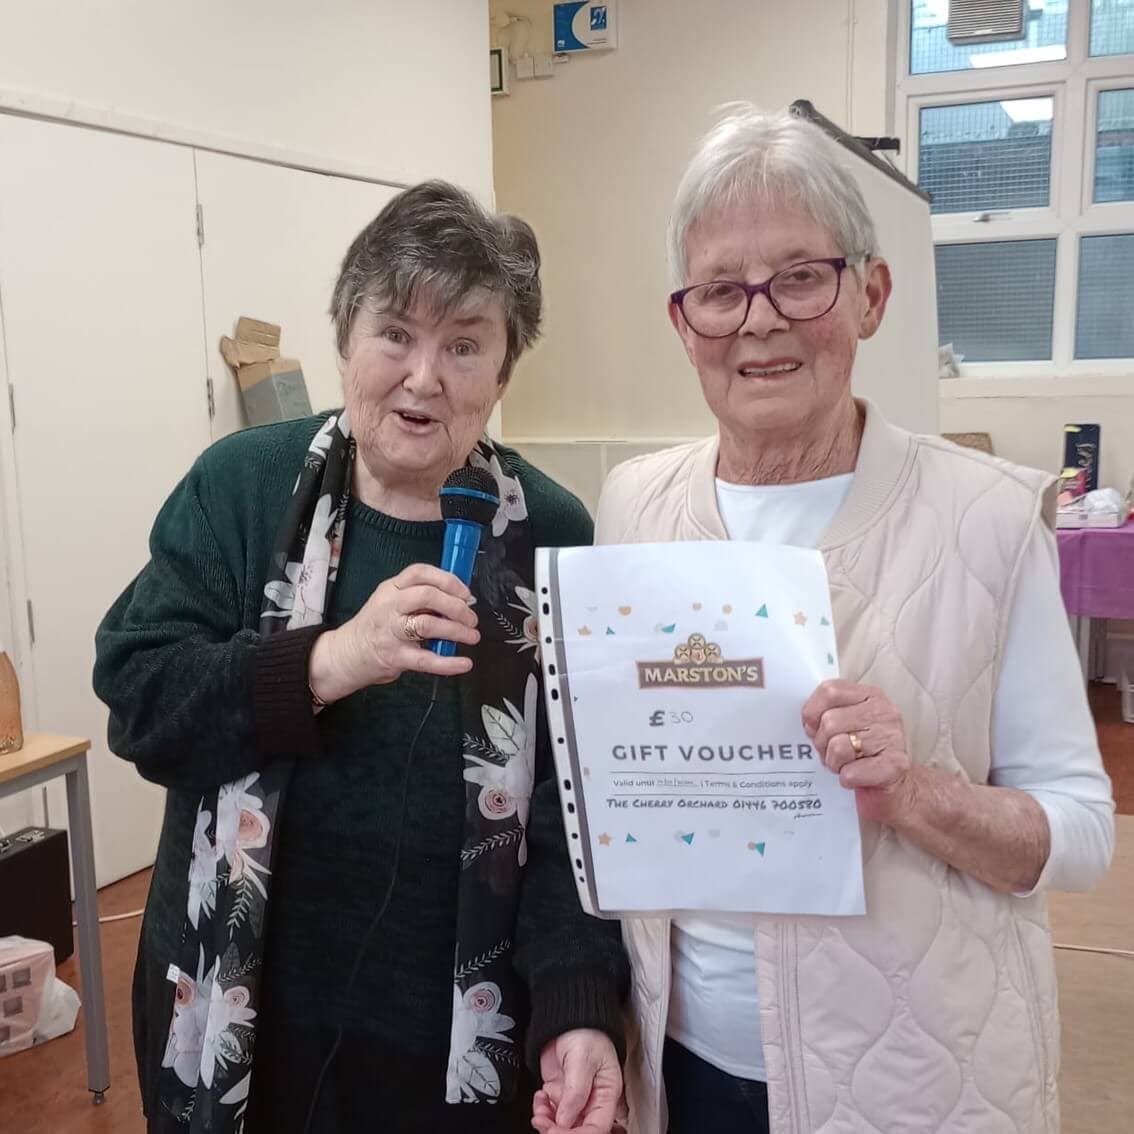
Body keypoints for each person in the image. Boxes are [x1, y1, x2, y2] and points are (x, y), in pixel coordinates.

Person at [594, 106, 1115, 1134]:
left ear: (869, 294)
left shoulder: (988, 519)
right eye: (720, 289)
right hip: (681, 1070)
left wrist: (914, 791)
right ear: (682, 318)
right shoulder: (632, 508)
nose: (759, 319)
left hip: (914, 1082)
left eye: (800, 276)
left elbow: (1084, 833)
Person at [94, 181, 627, 1134]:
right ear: (345, 336)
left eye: (464, 345)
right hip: (243, 1017)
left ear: (503, 373)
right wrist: (328, 659)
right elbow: (139, 700)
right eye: (396, 333)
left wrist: (579, 1004)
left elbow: (574, 815)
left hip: (459, 1037)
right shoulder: (241, 489)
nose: (424, 378)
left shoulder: (552, 532)